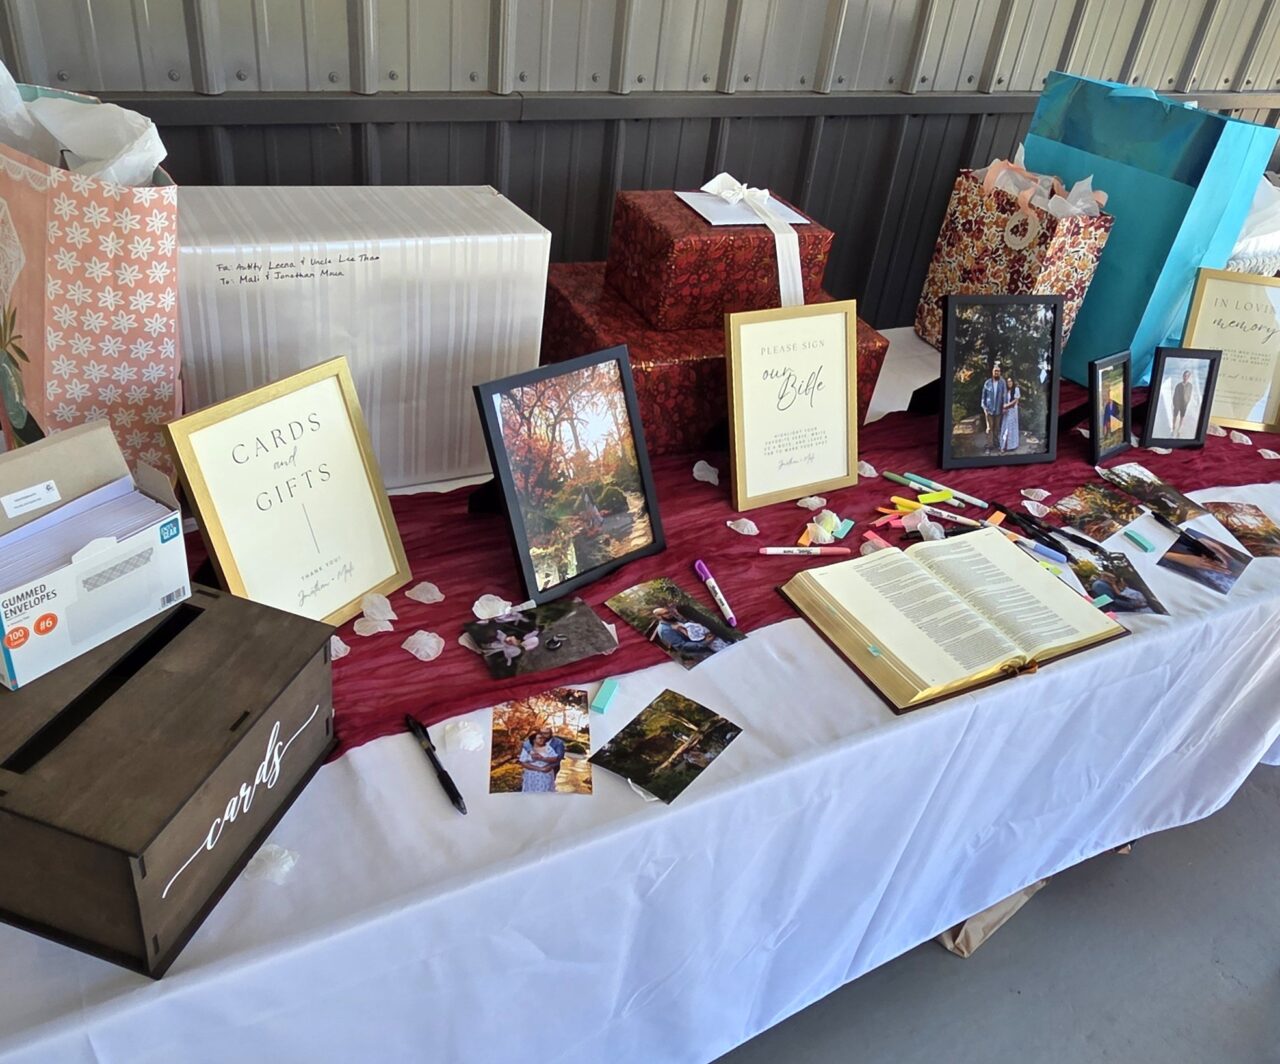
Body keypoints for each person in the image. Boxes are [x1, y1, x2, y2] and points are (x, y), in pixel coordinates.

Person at [519, 727, 565, 793]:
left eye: (546, 733)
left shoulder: (558, 743)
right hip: (532, 772)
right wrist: (531, 753)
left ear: (551, 734)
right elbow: (525, 745)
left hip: (551, 767)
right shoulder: (531, 742)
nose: (543, 735)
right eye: (542, 733)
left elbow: (558, 758)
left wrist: (547, 765)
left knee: (546, 787)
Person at [980, 363, 1005, 453]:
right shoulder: (987, 383)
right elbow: (983, 397)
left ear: (1000, 373)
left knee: (997, 428)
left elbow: (1004, 396)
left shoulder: (1002, 384)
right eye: (995, 371)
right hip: (989, 410)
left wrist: (1004, 407)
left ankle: (996, 444)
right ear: (992, 372)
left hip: (998, 410)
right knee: (989, 428)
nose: (996, 373)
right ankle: (989, 446)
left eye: (998, 371)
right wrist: (984, 408)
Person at [998, 371, 1021, 452]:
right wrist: (1003, 408)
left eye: (1010, 381)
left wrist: (1007, 406)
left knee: (1010, 427)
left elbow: (1016, 401)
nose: (1009, 383)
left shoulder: (1016, 389)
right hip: (1006, 412)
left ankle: (1009, 446)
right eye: (1008, 382)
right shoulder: (1006, 391)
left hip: (1013, 411)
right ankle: (1003, 445)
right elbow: (1003, 401)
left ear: (1013, 382)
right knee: (1004, 427)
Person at [1171, 369, 1195, 437]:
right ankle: (1173, 428)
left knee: (1182, 416)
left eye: (1187, 376)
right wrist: (1175, 403)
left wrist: (1187, 402)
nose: (1185, 377)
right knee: (1175, 415)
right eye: (1184, 375)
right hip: (1177, 403)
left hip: (1184, 404)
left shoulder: (1190, 385)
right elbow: (1175, 395)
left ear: (1189, 377)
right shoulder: (1178, 385)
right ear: (1183, 376)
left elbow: (1189, 395)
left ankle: (1179, 429)